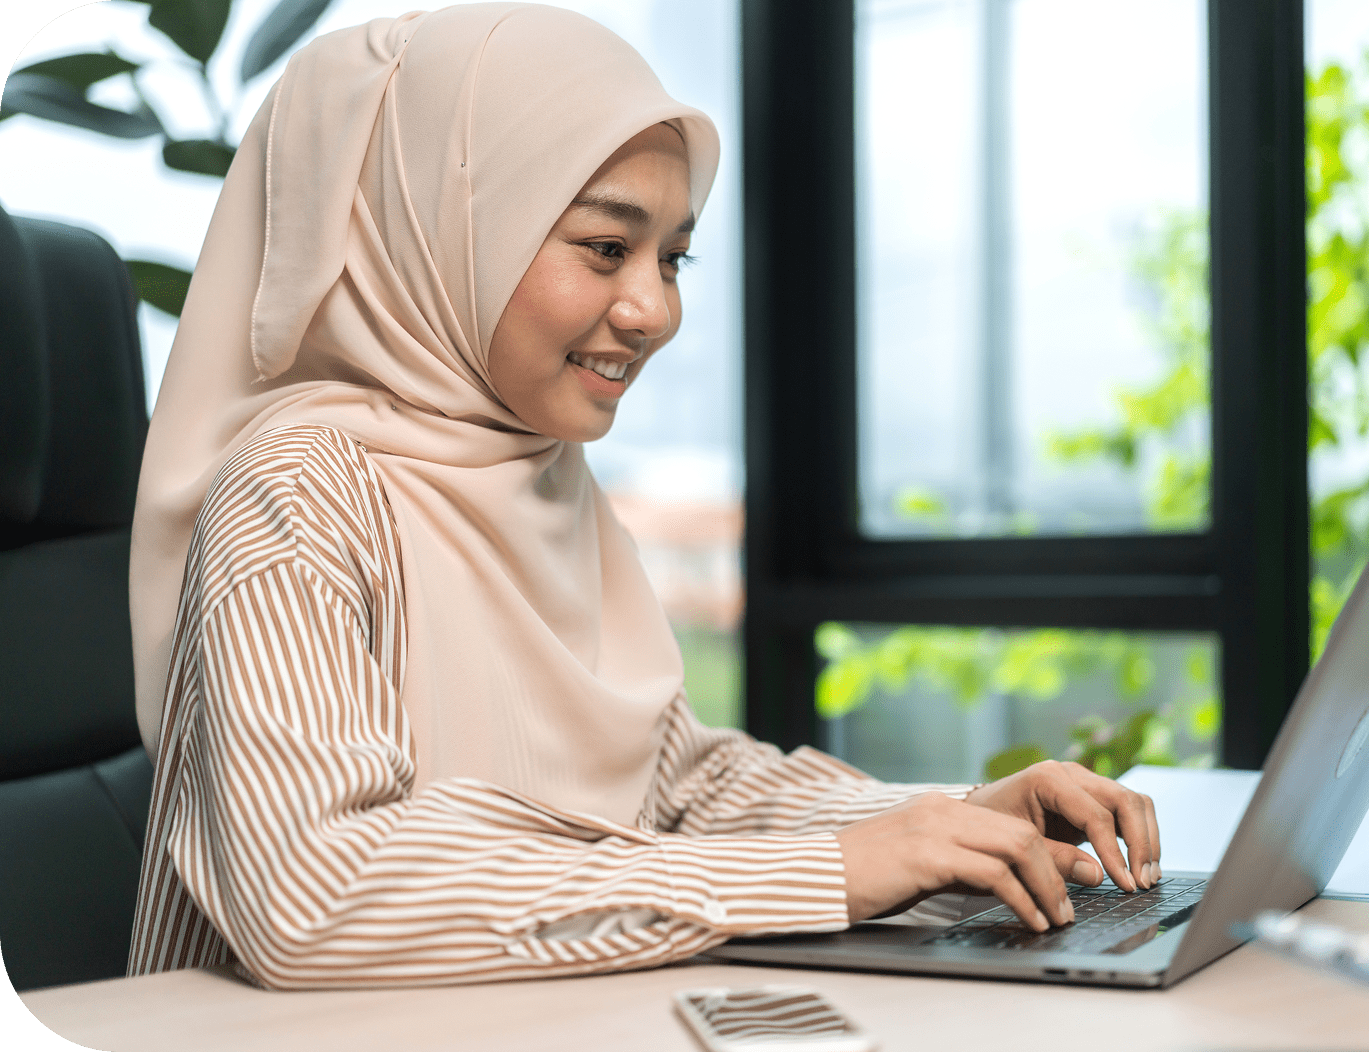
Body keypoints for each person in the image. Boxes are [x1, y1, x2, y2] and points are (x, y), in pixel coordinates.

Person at [126, 3, 1160, 989]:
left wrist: (953, 823)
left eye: (673, 257)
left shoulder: (532, 473)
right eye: (605, 247)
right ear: (443, 228)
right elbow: (314, 892)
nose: (653, 308)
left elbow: (671, 786)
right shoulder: (296, 487)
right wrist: (826, 872)